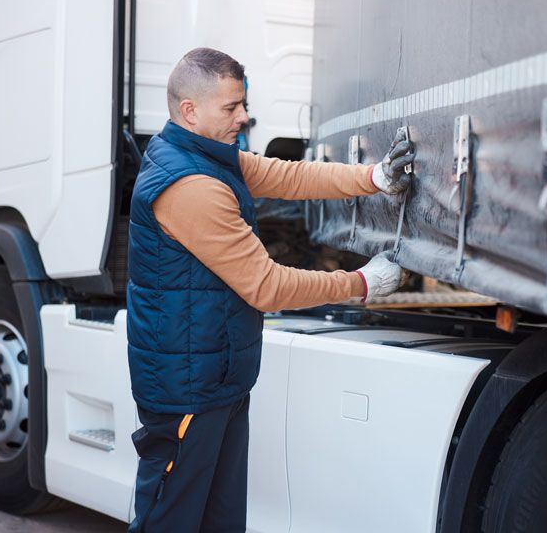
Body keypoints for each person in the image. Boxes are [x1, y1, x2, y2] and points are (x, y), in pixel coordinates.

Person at [126, 47, 414, 532]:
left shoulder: (206, 154)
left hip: (217, 379)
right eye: (231, 108)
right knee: (169, 522)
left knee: (219, 522)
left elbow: (287, 174)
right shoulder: (189, 184)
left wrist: (373, 178)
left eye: (243, 104)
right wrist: (360, 283)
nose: (244, 116)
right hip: (188, 393)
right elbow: (266, 285)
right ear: (189, 111)